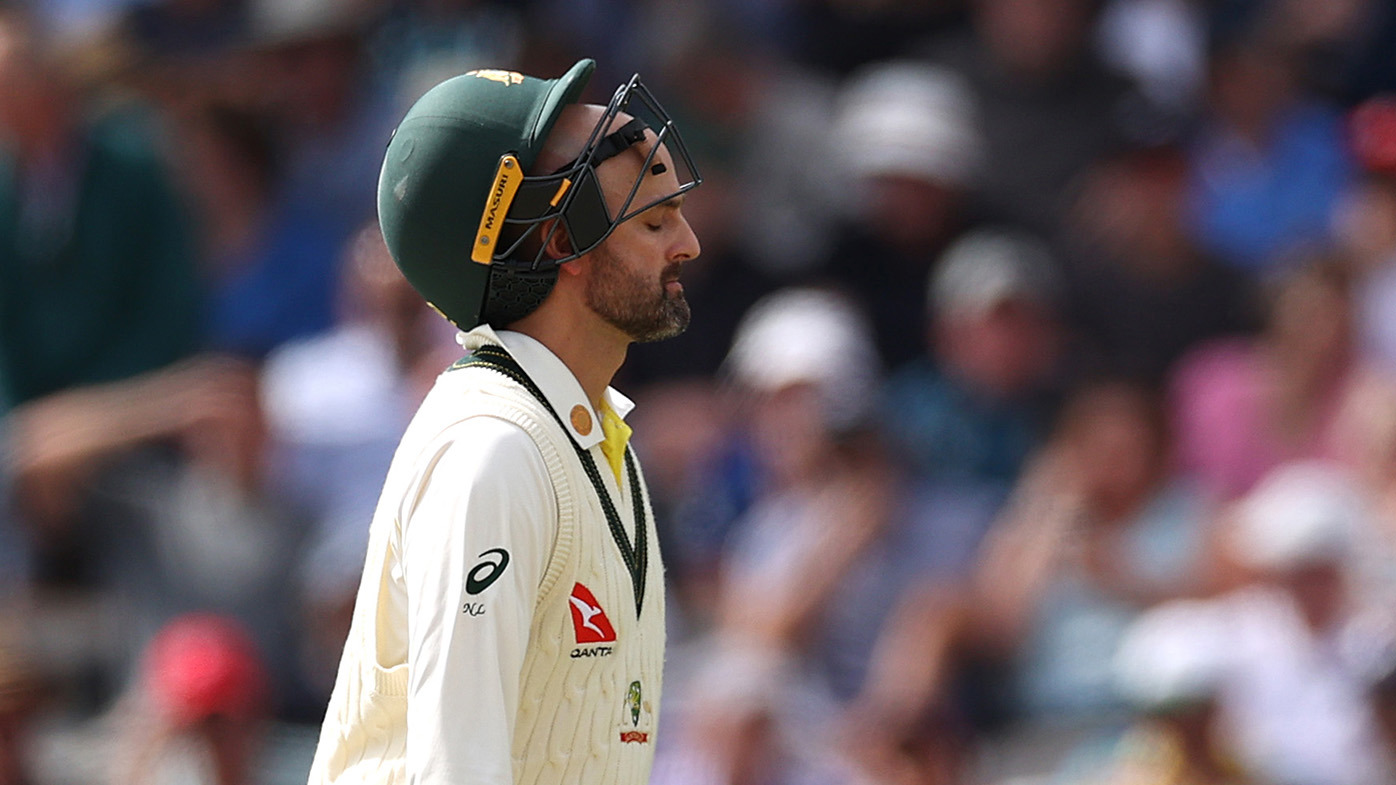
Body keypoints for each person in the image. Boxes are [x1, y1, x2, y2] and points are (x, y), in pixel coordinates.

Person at [307, 58, 701, 784]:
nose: (689, 245)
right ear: (558, 242)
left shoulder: (587, 436)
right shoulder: (496, 452)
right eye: (652, 219)